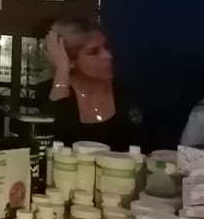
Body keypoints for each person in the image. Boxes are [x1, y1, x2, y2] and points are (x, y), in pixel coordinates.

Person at [41, 17, 142, 150]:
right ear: (69, 59)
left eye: (106, 47)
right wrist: (62, 69)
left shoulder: (125, 91)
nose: (108, 56)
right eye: (94, 52)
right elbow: (56, 138)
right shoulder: (47, 91)